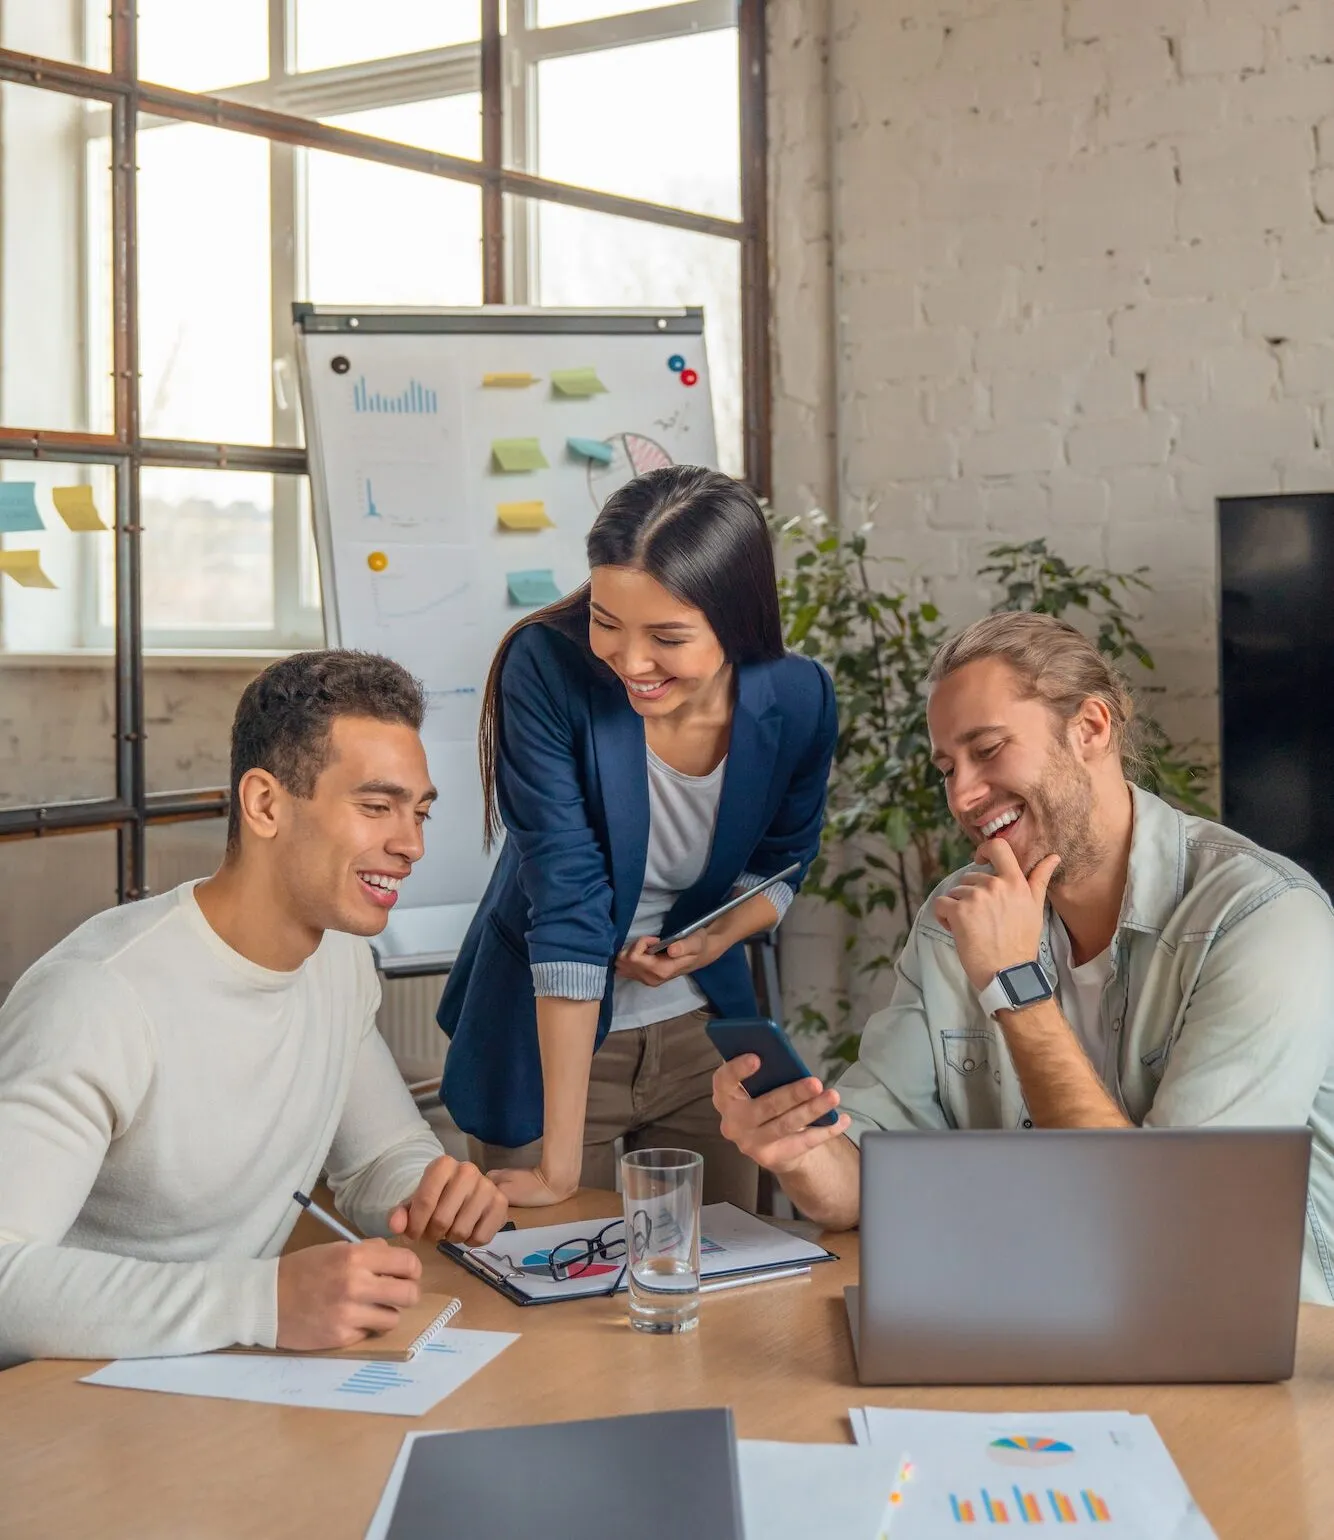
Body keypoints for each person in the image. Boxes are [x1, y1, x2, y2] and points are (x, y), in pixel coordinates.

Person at [712, 611, 1334, 1302]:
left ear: (1091, 729)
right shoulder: (958, 917)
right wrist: (795, 1146)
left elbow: (1167, 1229)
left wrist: (1014, 987)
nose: (962, 795)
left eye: (988, 749)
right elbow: (861, 1182)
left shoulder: (1265, 918)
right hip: (1033, 1311)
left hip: (1236, 1345)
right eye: (948, 768)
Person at [0, 650, 508, 1368]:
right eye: (376, 807)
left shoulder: (339, 961)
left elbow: (379, 1159)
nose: (411, 844)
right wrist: (260, 1301)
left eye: (418, 811)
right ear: (266, 804)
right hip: (62, 1405)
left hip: (212, 1384)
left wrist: (431, 1190)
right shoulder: (98, 997)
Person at [438, 465, 837, 1210]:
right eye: (607, 621)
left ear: (738, 620)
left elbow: (784, 860)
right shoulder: (548, 669)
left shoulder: (800, 696)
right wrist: (557, 1169)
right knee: (555, 1295)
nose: (629, 660)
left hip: (702, 1038)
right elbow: (567, 899)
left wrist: (714, 939)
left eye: (668, 637)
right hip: (546, 1040)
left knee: (719, 1285)